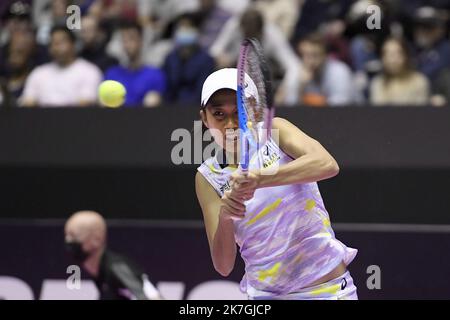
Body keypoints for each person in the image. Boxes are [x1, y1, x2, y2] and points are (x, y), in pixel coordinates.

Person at [195, 68, 358, 300]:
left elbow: (327, 164)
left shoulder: (276, 131)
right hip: (265, 297)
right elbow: (223, 266)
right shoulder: (207, 177)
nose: (230, 124)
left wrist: (261, 178)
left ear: (254, 108)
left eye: (239, 111)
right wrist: (225, 215)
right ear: (204, 118)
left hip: (327, 291)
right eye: (218, 113)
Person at [64, 210, 163, 300]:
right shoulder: (99, 272)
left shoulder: (117, 268)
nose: (68, 241)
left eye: (74, 236)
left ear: (97, 239)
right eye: (67, 235)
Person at [20, 26, 102, 107]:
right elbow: (27, 102)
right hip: (42, 119)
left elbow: (87, 102)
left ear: (73, 44)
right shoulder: (39, 73)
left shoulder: (89, 71)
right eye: (53, 43)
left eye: (61, 43)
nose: (56, 48)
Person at [104, 21, 166, 107]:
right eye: (124, 40)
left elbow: (155, 105)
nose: (127, 44)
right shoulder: (112, 74)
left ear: (141, 42)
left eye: (131, 39)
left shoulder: (155, 74)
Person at [370, 37, 430, 106]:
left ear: (406, 56)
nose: (392, 60)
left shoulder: (419, 81)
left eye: (397, 54)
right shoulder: (377, 83)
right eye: (387, 54)